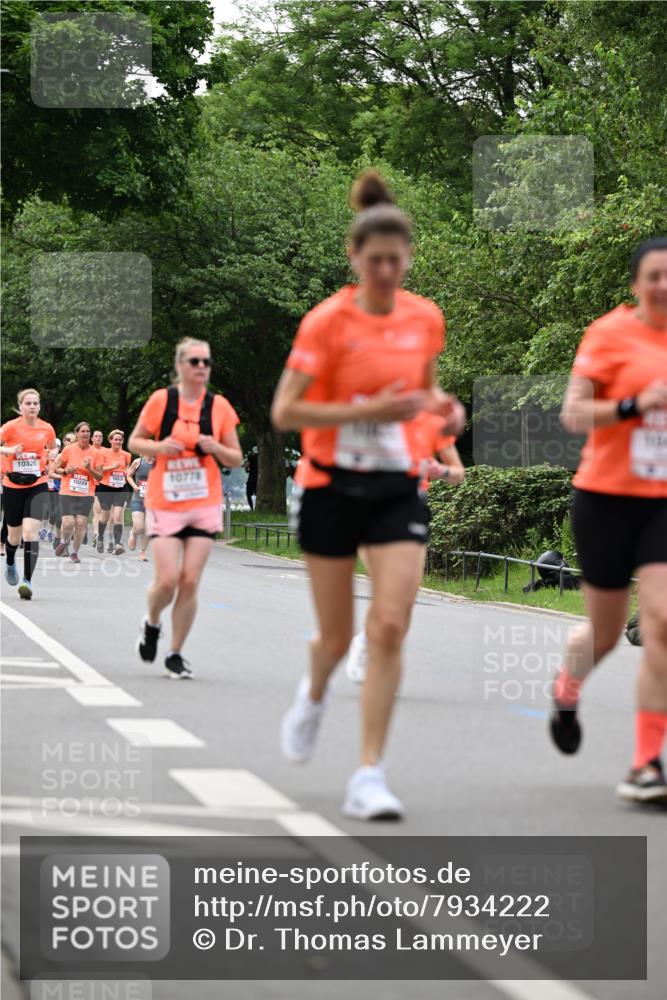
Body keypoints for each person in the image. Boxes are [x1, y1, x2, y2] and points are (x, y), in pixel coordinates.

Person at [271, 170, 465, 820]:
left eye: (395, 260)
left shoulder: (424, 318)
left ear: (408, 258)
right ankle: (314, 694)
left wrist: (446, 412)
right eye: (374, 260)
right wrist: (367, 408)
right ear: (353, 258)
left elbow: (425, 394)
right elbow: (285, 413)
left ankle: (368, 773)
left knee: (388, 626)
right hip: (330, 484)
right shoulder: (327, 322)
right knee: (336, 638)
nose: (385, 271)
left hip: (395, 487)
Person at [552, 237, 667, 804]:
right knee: (604, 633)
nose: (664, 285)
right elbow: (573, 414)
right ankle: (566, 689)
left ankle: (646, 763)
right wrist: (633, 405)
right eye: (655, 275)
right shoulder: (608, 334)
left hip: (663, 502)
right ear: (635, 284)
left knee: (662, 622)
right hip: (606, 498)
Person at [128, 337, 243, 678]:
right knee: (167, 580)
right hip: (166, 501)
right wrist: (160, 446)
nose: (202, 367)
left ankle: (175, 653)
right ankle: (152, 623)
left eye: (206, 362)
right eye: (195, 361)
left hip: (203, 502)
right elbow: (135, 441)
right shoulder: (161, 401)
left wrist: (215, 447)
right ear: (180, 365)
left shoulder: (219, 406)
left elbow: (235, 457)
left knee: (190, 580)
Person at [345, 410, 466, 683]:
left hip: (411, 509)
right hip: (370, 507)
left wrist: (441, 471)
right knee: (387, 589)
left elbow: (459, 473)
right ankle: (369, 649)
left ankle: (375, 644)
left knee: (406, 600)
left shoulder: (432, 423)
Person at [0, 388, 56, 599]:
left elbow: (53, 448)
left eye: (35, 403)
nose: (32, 406)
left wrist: (52, 455)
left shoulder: (47, 428)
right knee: (14, 536)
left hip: (37, 483)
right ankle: (10, 561)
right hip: (13, 485)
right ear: (21, 406)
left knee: (30, 532)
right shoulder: (11, 427)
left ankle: (27, 581)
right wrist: (7, 450)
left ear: (39, 406)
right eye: (28, 403)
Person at [54, 422, 104, 563]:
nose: (86, 433)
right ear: (77, 433)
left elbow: (100, 477)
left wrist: (89, 468)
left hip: (86, 493)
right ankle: (64, 541)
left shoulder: (96, 453)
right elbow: (56, 468)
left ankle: (75, 552)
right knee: (68, 523)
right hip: (68, 491)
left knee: (81, 523)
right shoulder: (68, 450)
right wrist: (65, 471)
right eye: (83, 431)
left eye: (88, 431)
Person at [97, 430, 132, 555]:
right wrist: (112, 467)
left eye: (120, 440)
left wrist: (128, 473)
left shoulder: (127, 455)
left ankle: (117, 544)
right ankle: (100, 537)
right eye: (115, 439)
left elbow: (128, 469)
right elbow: (98, 469)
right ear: (110, 440)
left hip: (120, 488)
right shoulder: (103, 452)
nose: (118, 441)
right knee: (104, 517)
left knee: (117, 516)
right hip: (105, 488)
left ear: (123, 441)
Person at [126, 453, 154, 562]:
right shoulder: (138, 462)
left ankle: (142, 551)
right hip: (138, 498)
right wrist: (134, 486)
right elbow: (128, 475)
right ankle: (133, 532)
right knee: (139, 527)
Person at [90, 429, 104, 547]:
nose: (98, 438)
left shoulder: (105, 452)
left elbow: (104, 468)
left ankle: (96, 533)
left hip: (100, 484)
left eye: (100, 436)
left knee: (97, 511)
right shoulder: (88, 450)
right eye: (96, 436)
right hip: (87, 483)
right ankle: (82, 530)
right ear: (92, 438)